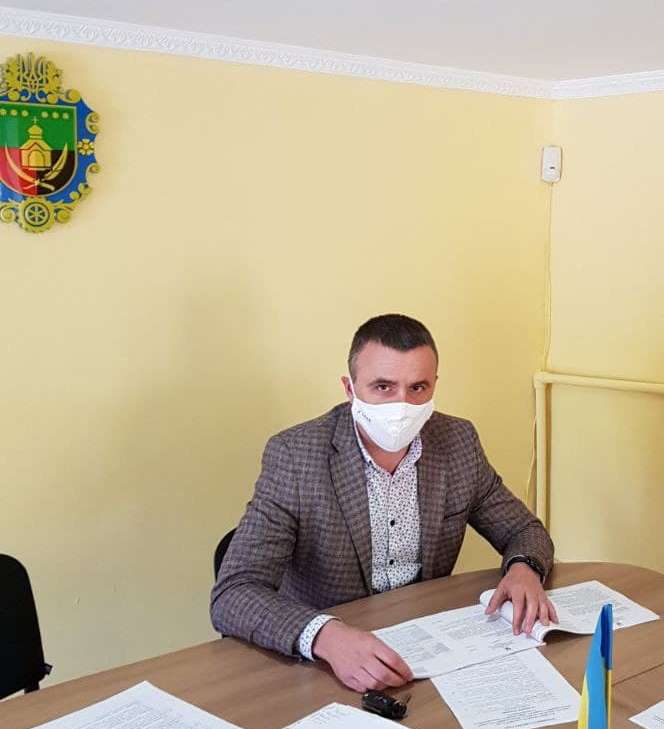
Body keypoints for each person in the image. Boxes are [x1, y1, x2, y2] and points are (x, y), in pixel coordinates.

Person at [211, 314, 556, 693]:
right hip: (325, 664)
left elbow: (523, 529)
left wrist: (524, 568)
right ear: (350, 388)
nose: (401, 405)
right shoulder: (296, 455)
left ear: (434, 385)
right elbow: (234, 592)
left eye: (418, 387)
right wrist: (325, 635)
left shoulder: (457, 441)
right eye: (383, 387)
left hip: (424, 651)